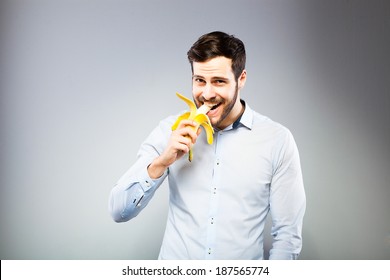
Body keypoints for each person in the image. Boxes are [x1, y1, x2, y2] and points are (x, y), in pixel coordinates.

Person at [109, 31, 306, 260]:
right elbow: (118, 211)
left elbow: (288, 237)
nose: (207, 94)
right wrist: (161, 162)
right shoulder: (169, 131)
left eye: (219, 82)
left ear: (241, 79)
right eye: (199, 81)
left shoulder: (277, 141)